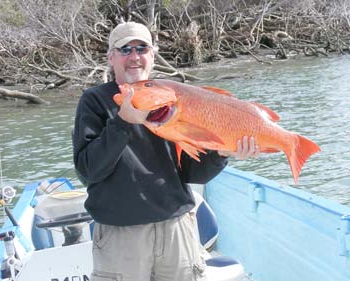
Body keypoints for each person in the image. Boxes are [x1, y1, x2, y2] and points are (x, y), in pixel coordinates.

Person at [73, 21, 260, 281]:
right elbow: (88, 170)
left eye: (142, 48)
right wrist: (122, 123)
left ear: (152, 55)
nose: (135, 57)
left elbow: (195, 174)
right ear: (111, 57)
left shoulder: (174, 96)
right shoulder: (94, 101)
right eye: (125, 49)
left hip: (177, 230)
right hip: (121, 237)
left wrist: (222, 152)